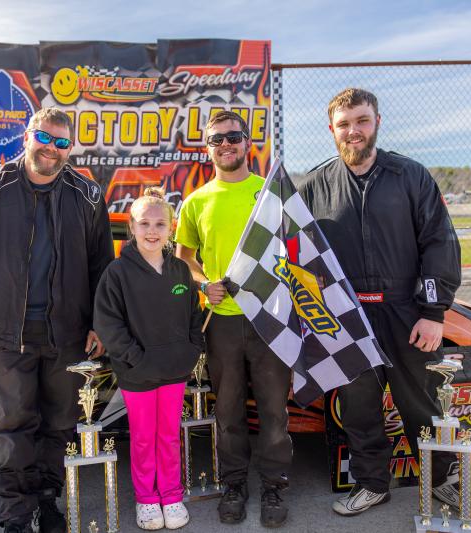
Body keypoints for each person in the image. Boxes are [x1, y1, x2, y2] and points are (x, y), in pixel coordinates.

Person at [295, 88, 471, 521]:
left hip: (406, 312)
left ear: (377, 122)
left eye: (361, 121)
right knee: (358, 409)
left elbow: (439, 242)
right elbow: (295, 253)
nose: (353, 131)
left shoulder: (410, 175)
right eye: (344, 124)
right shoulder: (313, 185)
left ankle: (442, 481)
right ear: (332, 130)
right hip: (347, 318)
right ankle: (371, 484)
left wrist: (433, 313)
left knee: (423, 405)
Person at [0, 107, 114, 533]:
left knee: (59, 425)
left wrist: (99, 322)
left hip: (68, 334)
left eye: (61, 142)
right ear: (27, 136)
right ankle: (16, 516)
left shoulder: (87, 195)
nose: (51, 148)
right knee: (14, 427)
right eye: (44, 137)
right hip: (7, 333)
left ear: (70, 148)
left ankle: (47, 502)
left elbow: (101, 267)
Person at [175, 111, 293, 528]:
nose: (226, 144)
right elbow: (184, 260)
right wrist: (203, 283)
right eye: (217, 139)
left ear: (247, 143)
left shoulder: (271, 194)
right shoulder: (196, 202)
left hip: (270, 320)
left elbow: (296, 251)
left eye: (233, 137)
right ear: (207, 149)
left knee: (274, 411)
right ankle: (234, 485)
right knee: (227, 412)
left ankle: (275, 486)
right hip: (221, 322)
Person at [94, 187, 203, 530]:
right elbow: (108, 324)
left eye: (160, 224)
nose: (152, 231)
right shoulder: (117, 273)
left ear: (171, 229)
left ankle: (170, 495)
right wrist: (135, 359)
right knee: (143, 438)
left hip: (174, 371)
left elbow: (194, 317)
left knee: (168, 436)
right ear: (132, 227)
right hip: (137, 374)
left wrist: (191, 351)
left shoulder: (181, 271)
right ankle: (147, 499)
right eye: (144, 224)